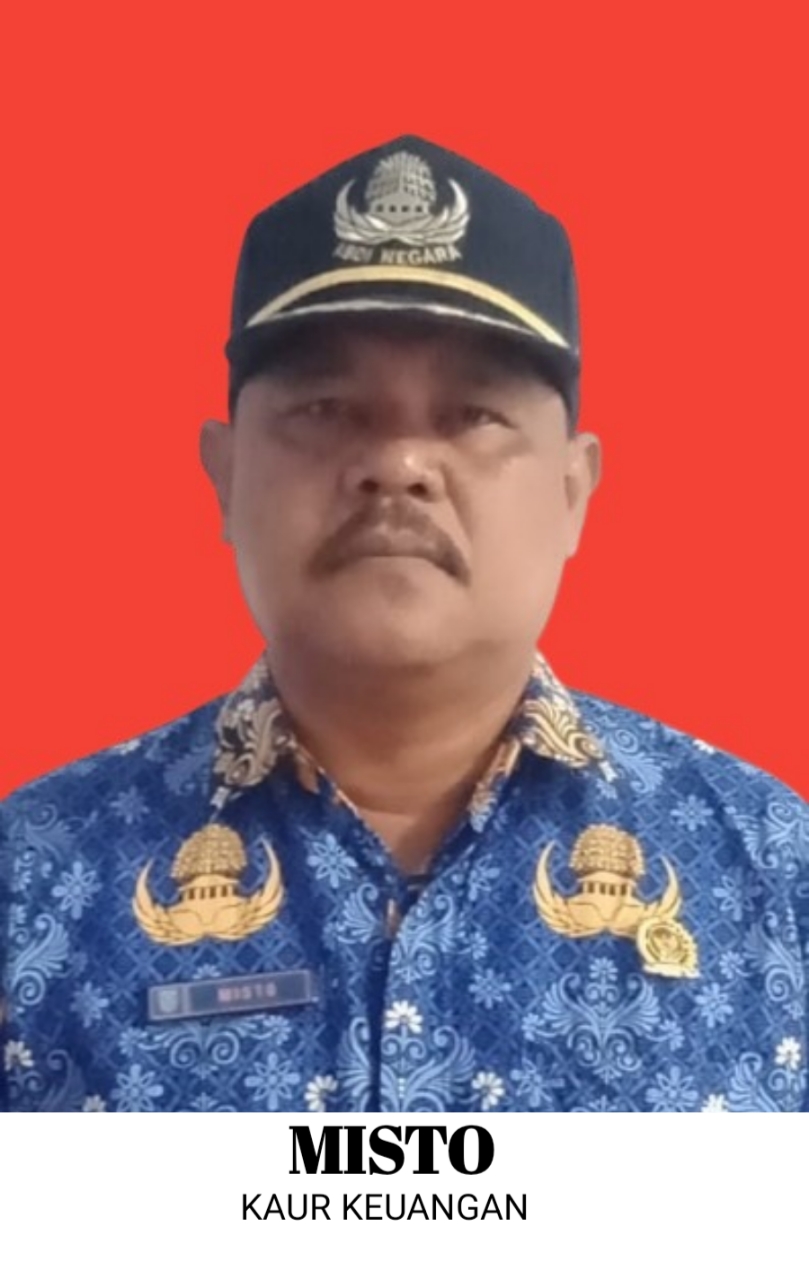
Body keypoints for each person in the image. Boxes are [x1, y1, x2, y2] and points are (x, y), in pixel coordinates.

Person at [1, 136, 806, 1113]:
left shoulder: (770, 868)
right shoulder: (32, 879)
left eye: (472, 413)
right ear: (225, 474)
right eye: (325, 407)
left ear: (572, 490)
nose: (398, 464)